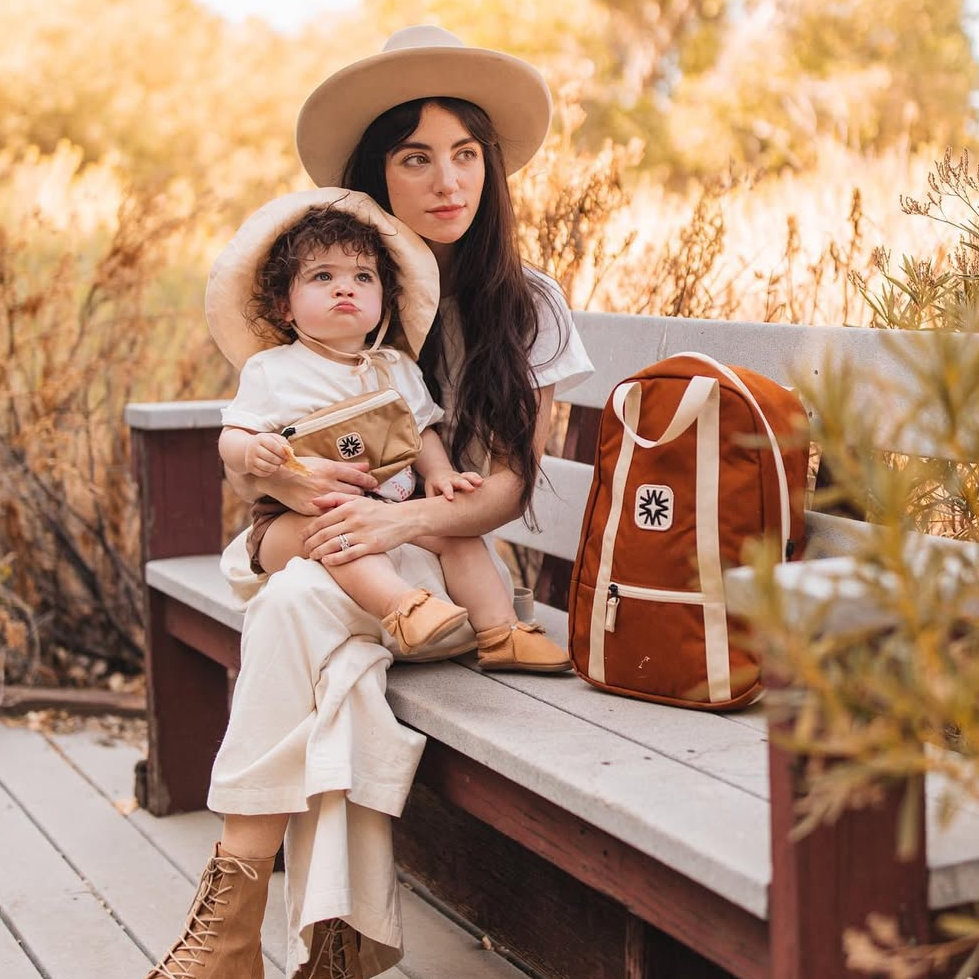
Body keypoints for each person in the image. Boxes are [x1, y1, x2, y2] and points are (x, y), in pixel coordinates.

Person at [145, 25, 593, 979]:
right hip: (318, 539)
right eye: (416, 156)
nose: (447, 181)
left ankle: (241, 921)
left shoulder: (528, 303)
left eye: (467, 155)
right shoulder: (339, 291)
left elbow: (504, 485)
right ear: (374, 174)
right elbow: (259, 451)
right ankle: (332, 938)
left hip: (443, 561)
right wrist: (267, 473)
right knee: (318, 619)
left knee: (309, 625)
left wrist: (404, 518)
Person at [217, 193, 571, 664]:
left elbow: (421, 430)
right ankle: (402, 609)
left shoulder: (395, 368)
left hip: (392, 510)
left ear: (385, 302)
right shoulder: (274, 370)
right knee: (342, 540)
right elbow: (232, 435)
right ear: (285, 305)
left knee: (458, 537)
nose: (345, 289)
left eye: (362, 278)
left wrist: (441, 473)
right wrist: (252, 450)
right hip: (295, 522)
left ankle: (500, 632)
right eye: (323, 277)